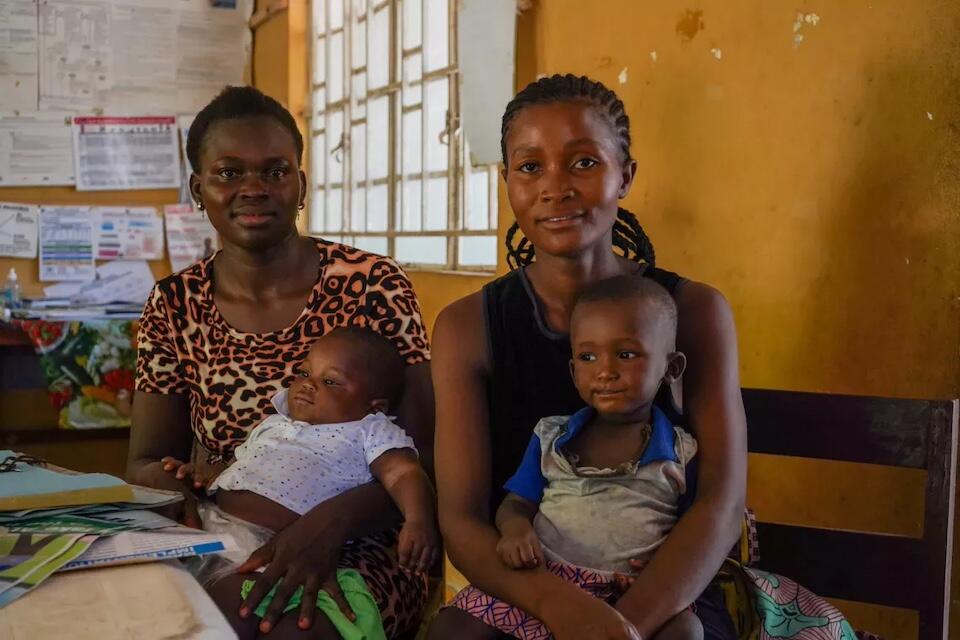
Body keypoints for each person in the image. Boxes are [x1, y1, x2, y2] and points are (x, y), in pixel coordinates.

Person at [428, 74, 747, 640]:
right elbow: (462, 521)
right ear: (507, 183)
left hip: (666, 587)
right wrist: (564, 610)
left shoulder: (694, 311)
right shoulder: (467, 328)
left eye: (582, 163)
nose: (555, 187)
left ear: (625, 175)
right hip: (530, 584)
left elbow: (721, 501)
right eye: (530, 167)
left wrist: (621, 626)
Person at [128, 85, 434, 639]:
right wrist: (174, 484)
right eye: (228, 173)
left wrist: (331, 521)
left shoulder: (370, 284)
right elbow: (147, 460)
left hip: (363, 535)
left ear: (301, 185)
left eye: (275, 172)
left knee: (273, 627)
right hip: (223, 524)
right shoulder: (174, 304)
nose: (252, 189)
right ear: (199, 188)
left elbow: (423, 452)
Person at [451, 275, 702, 640]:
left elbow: (696, 529)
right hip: (548, 584)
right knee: (455, 625)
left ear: (671, 368)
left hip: (631, 592)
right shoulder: (551, 438)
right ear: (573, 371)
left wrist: (662, 566)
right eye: (587, 357)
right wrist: (515, 530)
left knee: (687, 631)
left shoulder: (681, 452)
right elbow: (517, 503)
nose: (605, 371)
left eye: (626, 354)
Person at [163, 327, 438, 640]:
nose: (309, 384)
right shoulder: (276, 422)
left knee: (229, 616)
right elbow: (243, 463)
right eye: (305, 372)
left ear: (375, 406)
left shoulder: (368, 430)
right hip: (215, 530)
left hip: (279, 549)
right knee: (185, 612)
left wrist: (417, 518)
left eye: (330, 381)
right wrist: (206, 474)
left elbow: (403, 473)